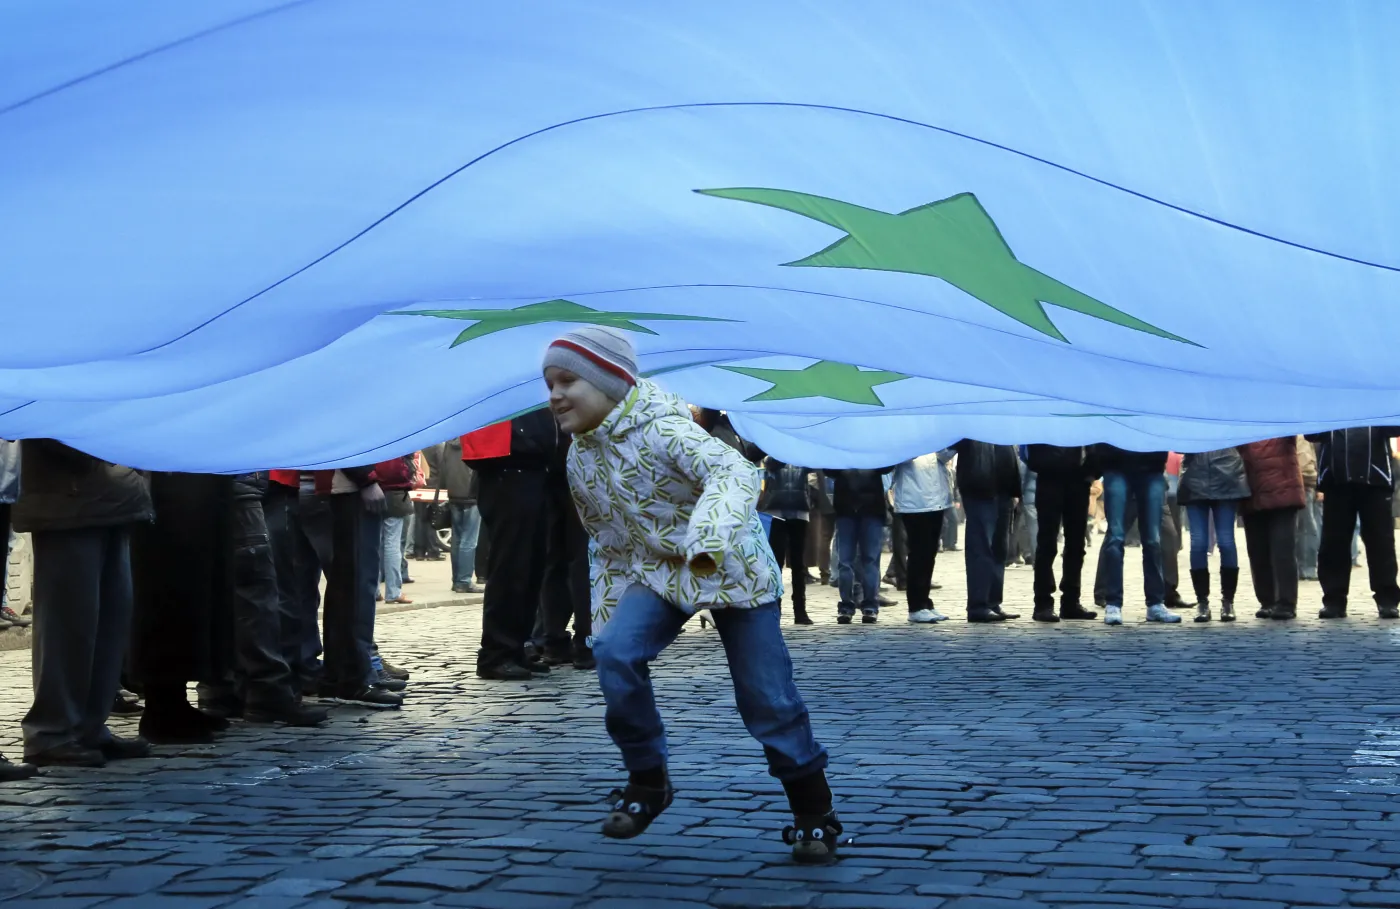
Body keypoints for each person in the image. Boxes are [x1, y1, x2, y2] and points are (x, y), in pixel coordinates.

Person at [543, 326, 839, 863]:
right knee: (613, 652)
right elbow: (609, 543)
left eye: (568, 380)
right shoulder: (580, 458)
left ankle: (814, 812)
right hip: (660, 575)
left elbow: (736, 474)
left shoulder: (666, 431)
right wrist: (607, 618)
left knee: (766, 698)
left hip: (729, 567)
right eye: (549, 384)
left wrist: (707, 538)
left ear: (609, 384)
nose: (555, 395)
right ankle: (648, 779)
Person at [14, 440, 154, 766]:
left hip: (111, 495)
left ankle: (89, 725)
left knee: (109, 623)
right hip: (68, 495)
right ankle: (51, 731)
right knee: (68, 624)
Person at [464, 409, 566, 680]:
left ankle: (516, 646)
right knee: (510, 567)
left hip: (531, 470)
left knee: (530, 567)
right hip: (508, 470)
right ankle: (498, 652)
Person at [312, 463, 401, 707]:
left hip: (348, 486)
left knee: (348, 586)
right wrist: (366, 479)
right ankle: (353, 678)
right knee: (357, 587)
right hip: (350, 487)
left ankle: (340, 676)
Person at [1306, 427, 1400, 619]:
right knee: (1333, 543)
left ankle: (1387, 600)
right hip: (1336, 479)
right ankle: (1334, 600)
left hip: (1374, 479)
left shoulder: (1378, 400)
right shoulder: (1328, 402)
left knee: (1381, 542)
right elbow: (1311, 433)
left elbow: (1394, 426)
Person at [1092, 445, 1179, 626]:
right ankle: (1113, 603)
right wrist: (1101, 459)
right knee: (1116, 538)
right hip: (1116, 466)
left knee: (1152, 540)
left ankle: (1155, 603)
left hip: (1151, 466)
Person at [1025, 445, 1098, 622]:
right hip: (1050, 477)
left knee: (1076, 544)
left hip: (1079, 479)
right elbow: (1031, 451)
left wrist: (1091, 470)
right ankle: (1043, 603)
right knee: (1047, 543)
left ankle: (1071, 602)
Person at [1180, 448, 1251, 623]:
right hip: (1195, 476)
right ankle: (1202, 602)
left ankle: (1228, 601)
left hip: (1227, 473)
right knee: (1198, 543)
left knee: (1226, 542)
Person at [953, 440, 1021, 623]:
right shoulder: (971, 419)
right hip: (979, 487)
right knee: (981, 547)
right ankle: (978, 606)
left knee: (1000, 549)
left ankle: (992, 602)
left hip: (1004, 489)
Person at [1238, 438, 1305, 621]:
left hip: (1282, 490)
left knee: (1282, 550)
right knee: (1258, 551)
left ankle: (1285, 602)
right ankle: (1267, 601)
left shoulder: (1281, 415)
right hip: (1253, 490)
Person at [891, 451, 955, 623]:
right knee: (918, 555)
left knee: (929, 555)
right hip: (914, 501)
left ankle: (925, 602)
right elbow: (898, 456)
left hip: (937, 498)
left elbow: (943, 455)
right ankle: (916, 606)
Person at [828, 467, 893, 624]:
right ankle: (854, 606)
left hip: (865, 509)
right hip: (852, 509)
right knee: (852, 562)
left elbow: (888, 465)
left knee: (859, 561)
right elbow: (828, 469)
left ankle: (864, 605)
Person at [759, 457, 814, 625]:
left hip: (799, 509)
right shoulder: (774, 451)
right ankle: (776, 607)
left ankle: (800, 610)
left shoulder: (803, 451)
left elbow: (814, 465)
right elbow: (770, 465)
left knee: (798, 564)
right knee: (776, 562)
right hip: (776, 510)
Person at [437, 437, 481, 594]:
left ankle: (456, 580)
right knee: (469, 540)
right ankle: (464, 581)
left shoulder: (449, 442)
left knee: (457, 539)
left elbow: (443, 467)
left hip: (454, 493)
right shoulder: (473, 439)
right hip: (471, 494)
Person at [377, 454, 417, 606]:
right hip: (394, 494)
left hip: (373, 491)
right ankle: (393, 592)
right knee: (392, 545)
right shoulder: (396, 446)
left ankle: (374, 590)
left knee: (376, 544)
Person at [1295, 436, 1320, 581]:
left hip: (1294, 482)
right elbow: (1305, 465)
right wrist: (1314, 480)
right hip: (1302, 483)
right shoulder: (1300, 434)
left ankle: (1302, 567)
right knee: (1307, 528)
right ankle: (1307, 568)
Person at [807, 470, 837, 585]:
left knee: (825, 537)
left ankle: (825, 573)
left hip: (824, 500)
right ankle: (828, 572)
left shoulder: (819, 459)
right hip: (840, 498)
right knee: (834, 537)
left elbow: (811, 481)